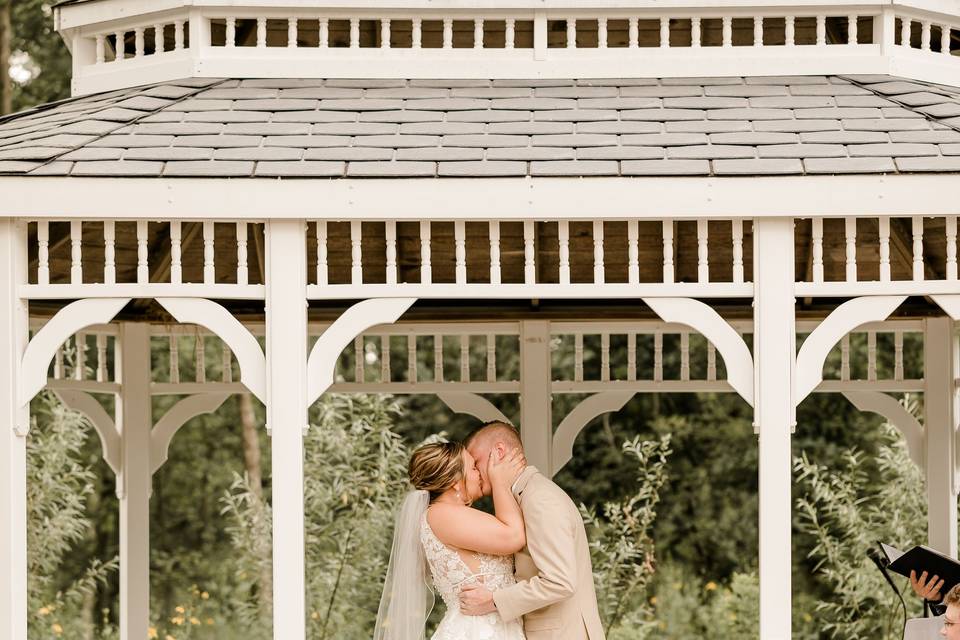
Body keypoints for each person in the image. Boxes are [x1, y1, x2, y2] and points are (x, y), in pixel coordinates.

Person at [459, 421, 606, 640]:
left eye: (475, 462)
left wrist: (492, 601)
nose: (473, 472)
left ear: (498, 452)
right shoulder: (526, 496)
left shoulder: (540, 499)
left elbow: (559, 582)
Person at [375, 439, 528, 640]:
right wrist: (500, 481)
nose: (480, 473)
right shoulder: (441, 515)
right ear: (455, 482)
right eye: (473, 467)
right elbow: (513, 537)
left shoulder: (446, 515)